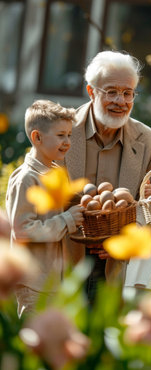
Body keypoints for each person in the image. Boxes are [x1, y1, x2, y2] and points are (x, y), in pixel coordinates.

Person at [65, 50, 151, 303]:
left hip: (116, 268)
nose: (121, 101)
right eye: (111, 91)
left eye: (128, 93)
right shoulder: (60, 130)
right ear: (91, 91)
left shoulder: (148, 140)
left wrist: (124, 238)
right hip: (62, 260)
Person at [6, 100, 85, 316]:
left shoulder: (53, 173)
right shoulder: (26, 178)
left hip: (51, 283)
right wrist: (67, 220)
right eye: (61, 135)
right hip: (32, 284)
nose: (67, 142)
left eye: (69, 135)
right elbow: (22, 230)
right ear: (37, 137)